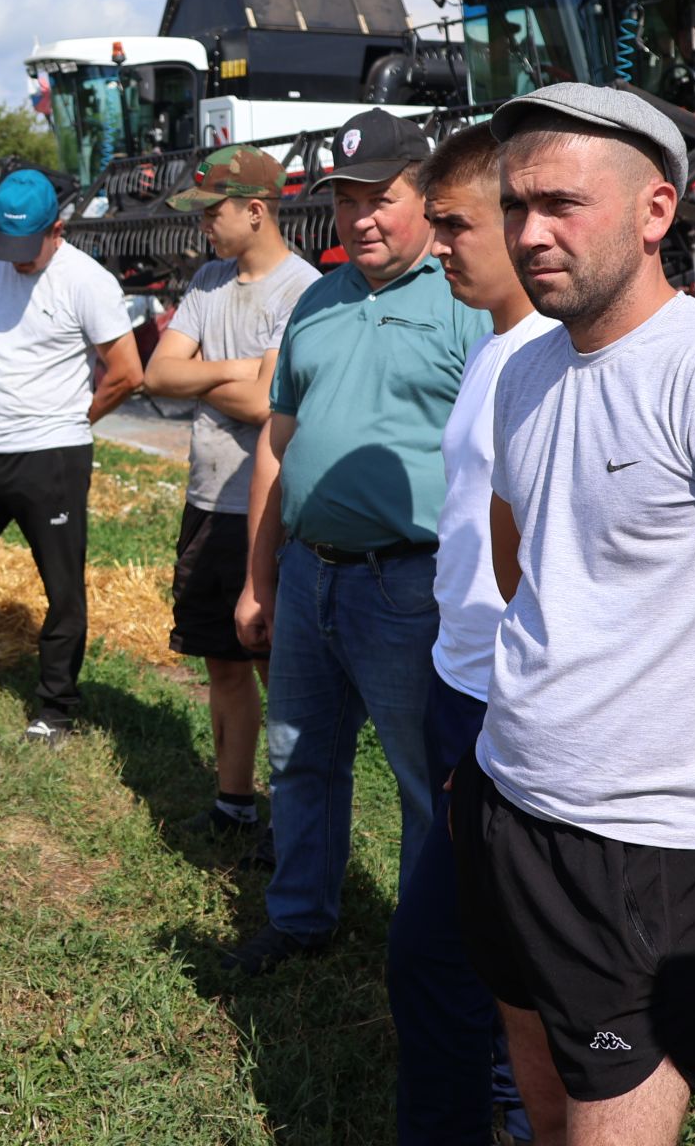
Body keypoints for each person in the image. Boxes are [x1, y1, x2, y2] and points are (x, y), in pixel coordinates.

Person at [454, 83, 695, 1145]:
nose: (529, 234)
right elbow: (521, 567)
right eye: (513, 206)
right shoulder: (524, 370)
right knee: (541, 1097)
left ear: (655, 212)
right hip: (505, 794)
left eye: (560, 204)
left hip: (634, 841)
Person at [228, 109, 489, 974]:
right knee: (300, 756)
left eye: (382, 199)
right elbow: (277, 440)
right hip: (308, 577)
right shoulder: (319, 299)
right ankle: (301, 917)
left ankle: (428, 946)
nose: (363, 219)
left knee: (427, 783)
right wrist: (259, 578)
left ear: (425, 198)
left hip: (410, 587)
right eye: (347, 202)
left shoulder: (464, 302)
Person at [385, 123, 549, 1144]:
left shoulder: (546, 358)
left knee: (450, 955)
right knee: (473, 952)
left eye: (455, 224)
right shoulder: (496, 348)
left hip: (509, 701)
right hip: (462, 683)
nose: (438, 243)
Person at [0, 168, 143, 744]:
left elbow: (127, 373)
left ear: (56, 229)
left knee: (62, 591)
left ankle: (55, 711)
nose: (15, 259)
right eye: (5, 244)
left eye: (27, 247)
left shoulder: (87, 281)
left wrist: (70, 423)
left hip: (53, 455)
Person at [144, 145, 317, 847]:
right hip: (209, 499)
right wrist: (238, 371)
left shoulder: (303, 290)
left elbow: (268, 404)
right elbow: (157, 373)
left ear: (256, 210)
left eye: (213, 212)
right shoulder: (210, 280)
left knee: (278, 665)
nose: (204, 227)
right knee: (221, 657)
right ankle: (234, 800)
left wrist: (216, 377)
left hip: (267, 509)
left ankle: (298, 811)